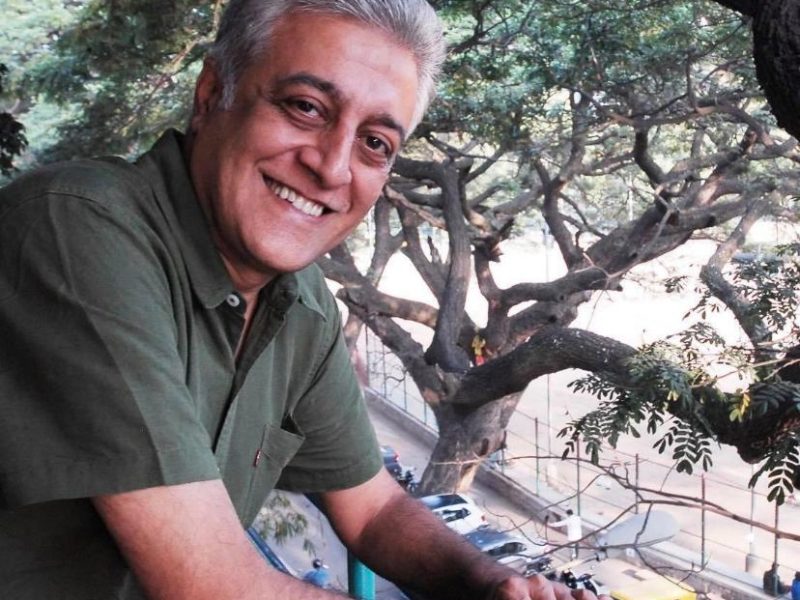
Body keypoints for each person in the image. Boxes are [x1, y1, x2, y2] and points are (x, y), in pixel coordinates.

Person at [0, 1, 607, 599]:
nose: (333, 167)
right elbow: (215, 588)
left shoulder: (301, 302)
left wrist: (492, 582)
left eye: (375, 143)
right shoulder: (76, 228)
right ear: (211, 94)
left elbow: (373, 508)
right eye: (306, 107)